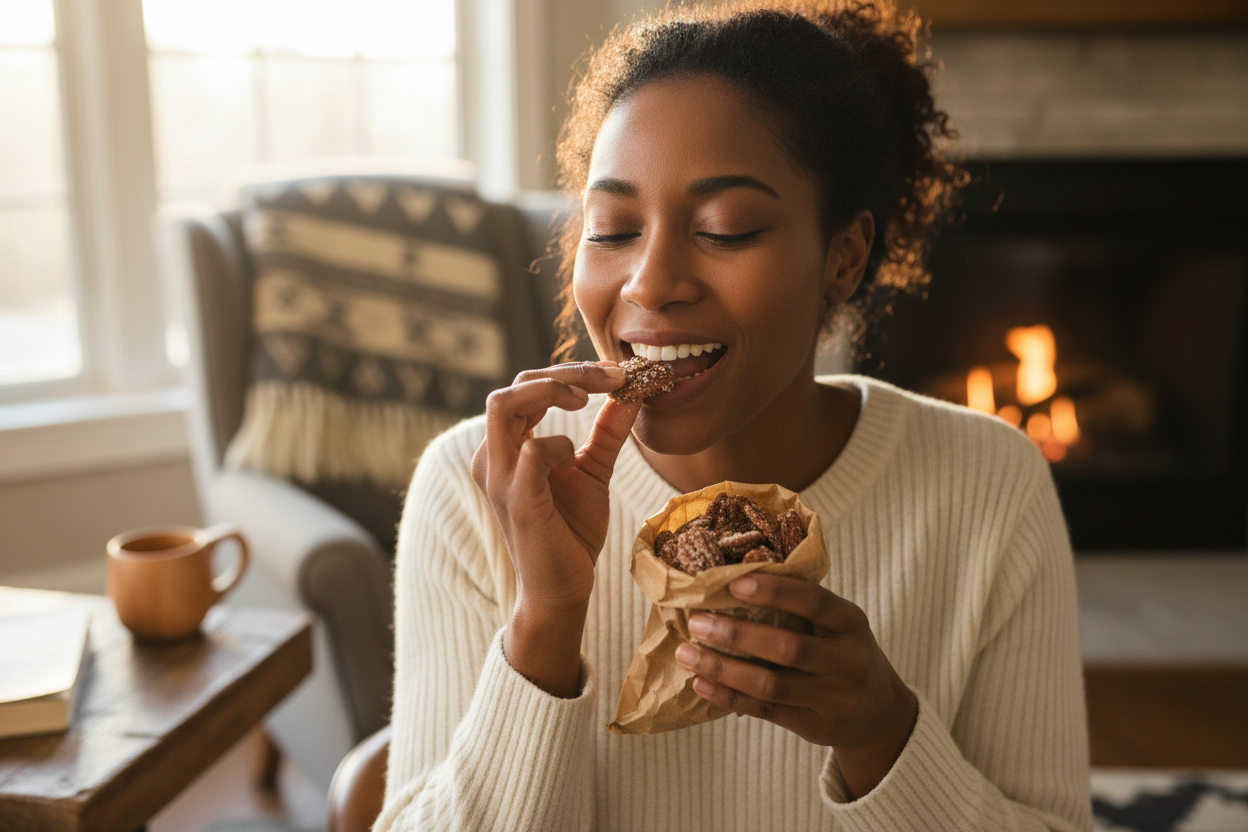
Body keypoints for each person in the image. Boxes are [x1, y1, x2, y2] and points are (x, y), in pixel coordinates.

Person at [375, 1, 1092, 830]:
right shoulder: (482, 489)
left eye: (726, 228)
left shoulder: (988, 485)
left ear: (843, 257)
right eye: (612, 229)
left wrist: (881, 734)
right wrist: (545, 620)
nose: (649, 283)